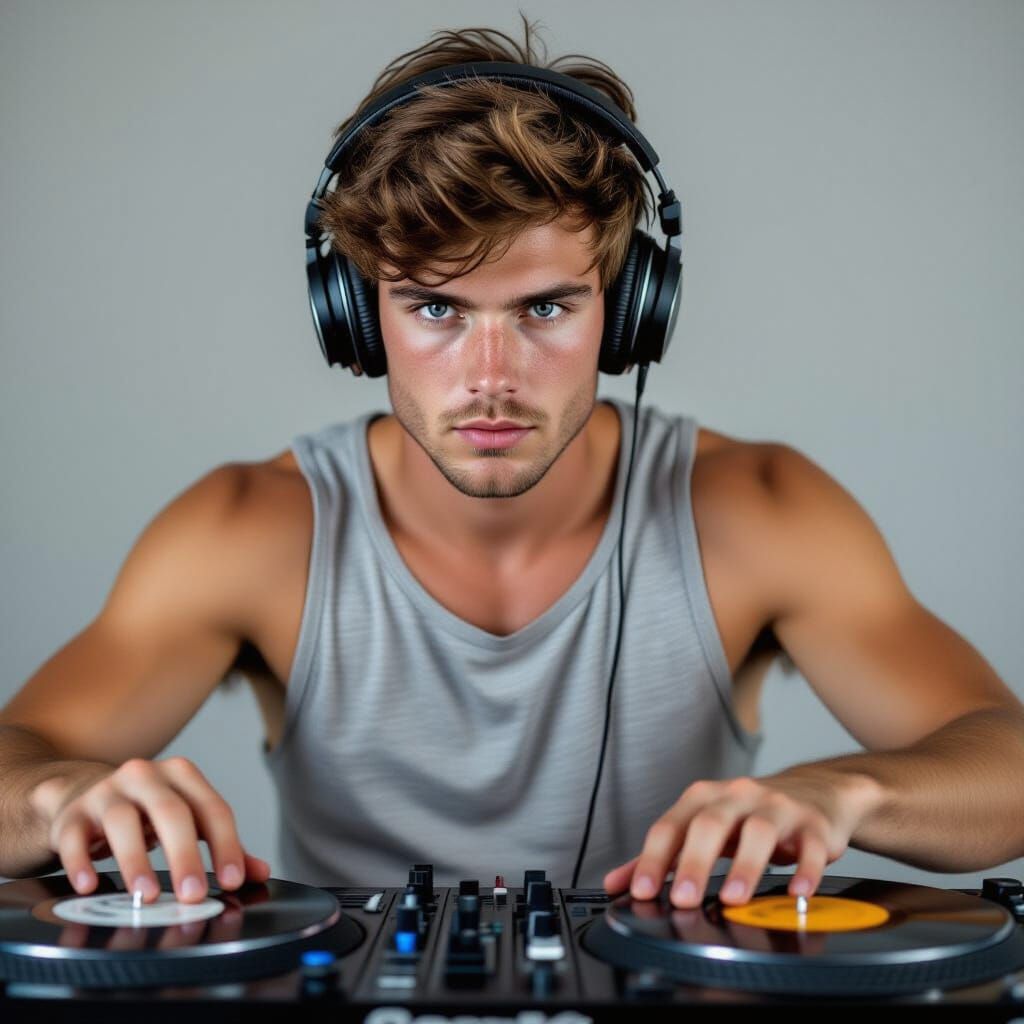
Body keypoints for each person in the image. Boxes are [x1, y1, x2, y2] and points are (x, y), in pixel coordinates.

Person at [2, 18, 1022, 912]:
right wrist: (57, 795)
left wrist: (846, 791)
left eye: (544, 307)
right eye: (435, 307)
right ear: (357, 316)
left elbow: (1005, 762)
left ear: (625, 312)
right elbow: (19, 757)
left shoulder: (756, 512)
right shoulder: (248, 530)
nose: (490, 377)